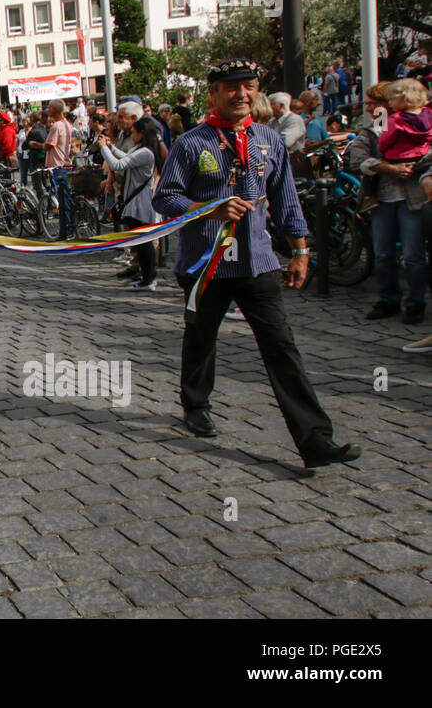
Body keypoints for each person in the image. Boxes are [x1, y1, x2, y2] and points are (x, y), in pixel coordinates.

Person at [152, 59, 361, 469]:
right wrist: (208, 210)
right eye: (231, 88)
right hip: (204, 263)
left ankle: (316, 441)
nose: (241, 95)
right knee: (201, 338)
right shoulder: (192, 143)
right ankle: (195, 404)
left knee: (282, 348)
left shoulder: (268, 139)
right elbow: (165, 198)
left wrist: (301, 251)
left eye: (248, 86)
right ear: (213, 93)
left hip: (258, 263)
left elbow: (286, 199)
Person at [361, 78, 432, 324]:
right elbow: (359, 158)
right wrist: (386, 167)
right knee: (383, 253)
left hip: (412, 198)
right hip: (382, 200)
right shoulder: (375, 128)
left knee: (414, 254)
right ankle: (389, 300)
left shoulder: (419, 121)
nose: (369, 108)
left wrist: (418, 165)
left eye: (374, 103)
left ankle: (416, 304)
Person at [98, 118, 161, 291]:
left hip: (140, 202)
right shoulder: (142, 150)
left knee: (144, 242)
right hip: (136, 201)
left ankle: (149, 279)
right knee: (140, 242)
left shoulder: (146, 152)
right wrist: (111, 148)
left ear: (142, 133)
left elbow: (119, 164)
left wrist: (103, 148)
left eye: (134, 132)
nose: (131, 135)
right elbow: (127, 158)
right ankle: (146, 276)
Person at [37, 100, 74, 240]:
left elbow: (48, 145)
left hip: (58, 165)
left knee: (63, 200)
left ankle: (67, 230)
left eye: (50, 108)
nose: (48, 110)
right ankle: (69, 228)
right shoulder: (67, 125)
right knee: (67, 197)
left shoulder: (57, 126)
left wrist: (37, 145)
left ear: (56, 110)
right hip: (66, 163)